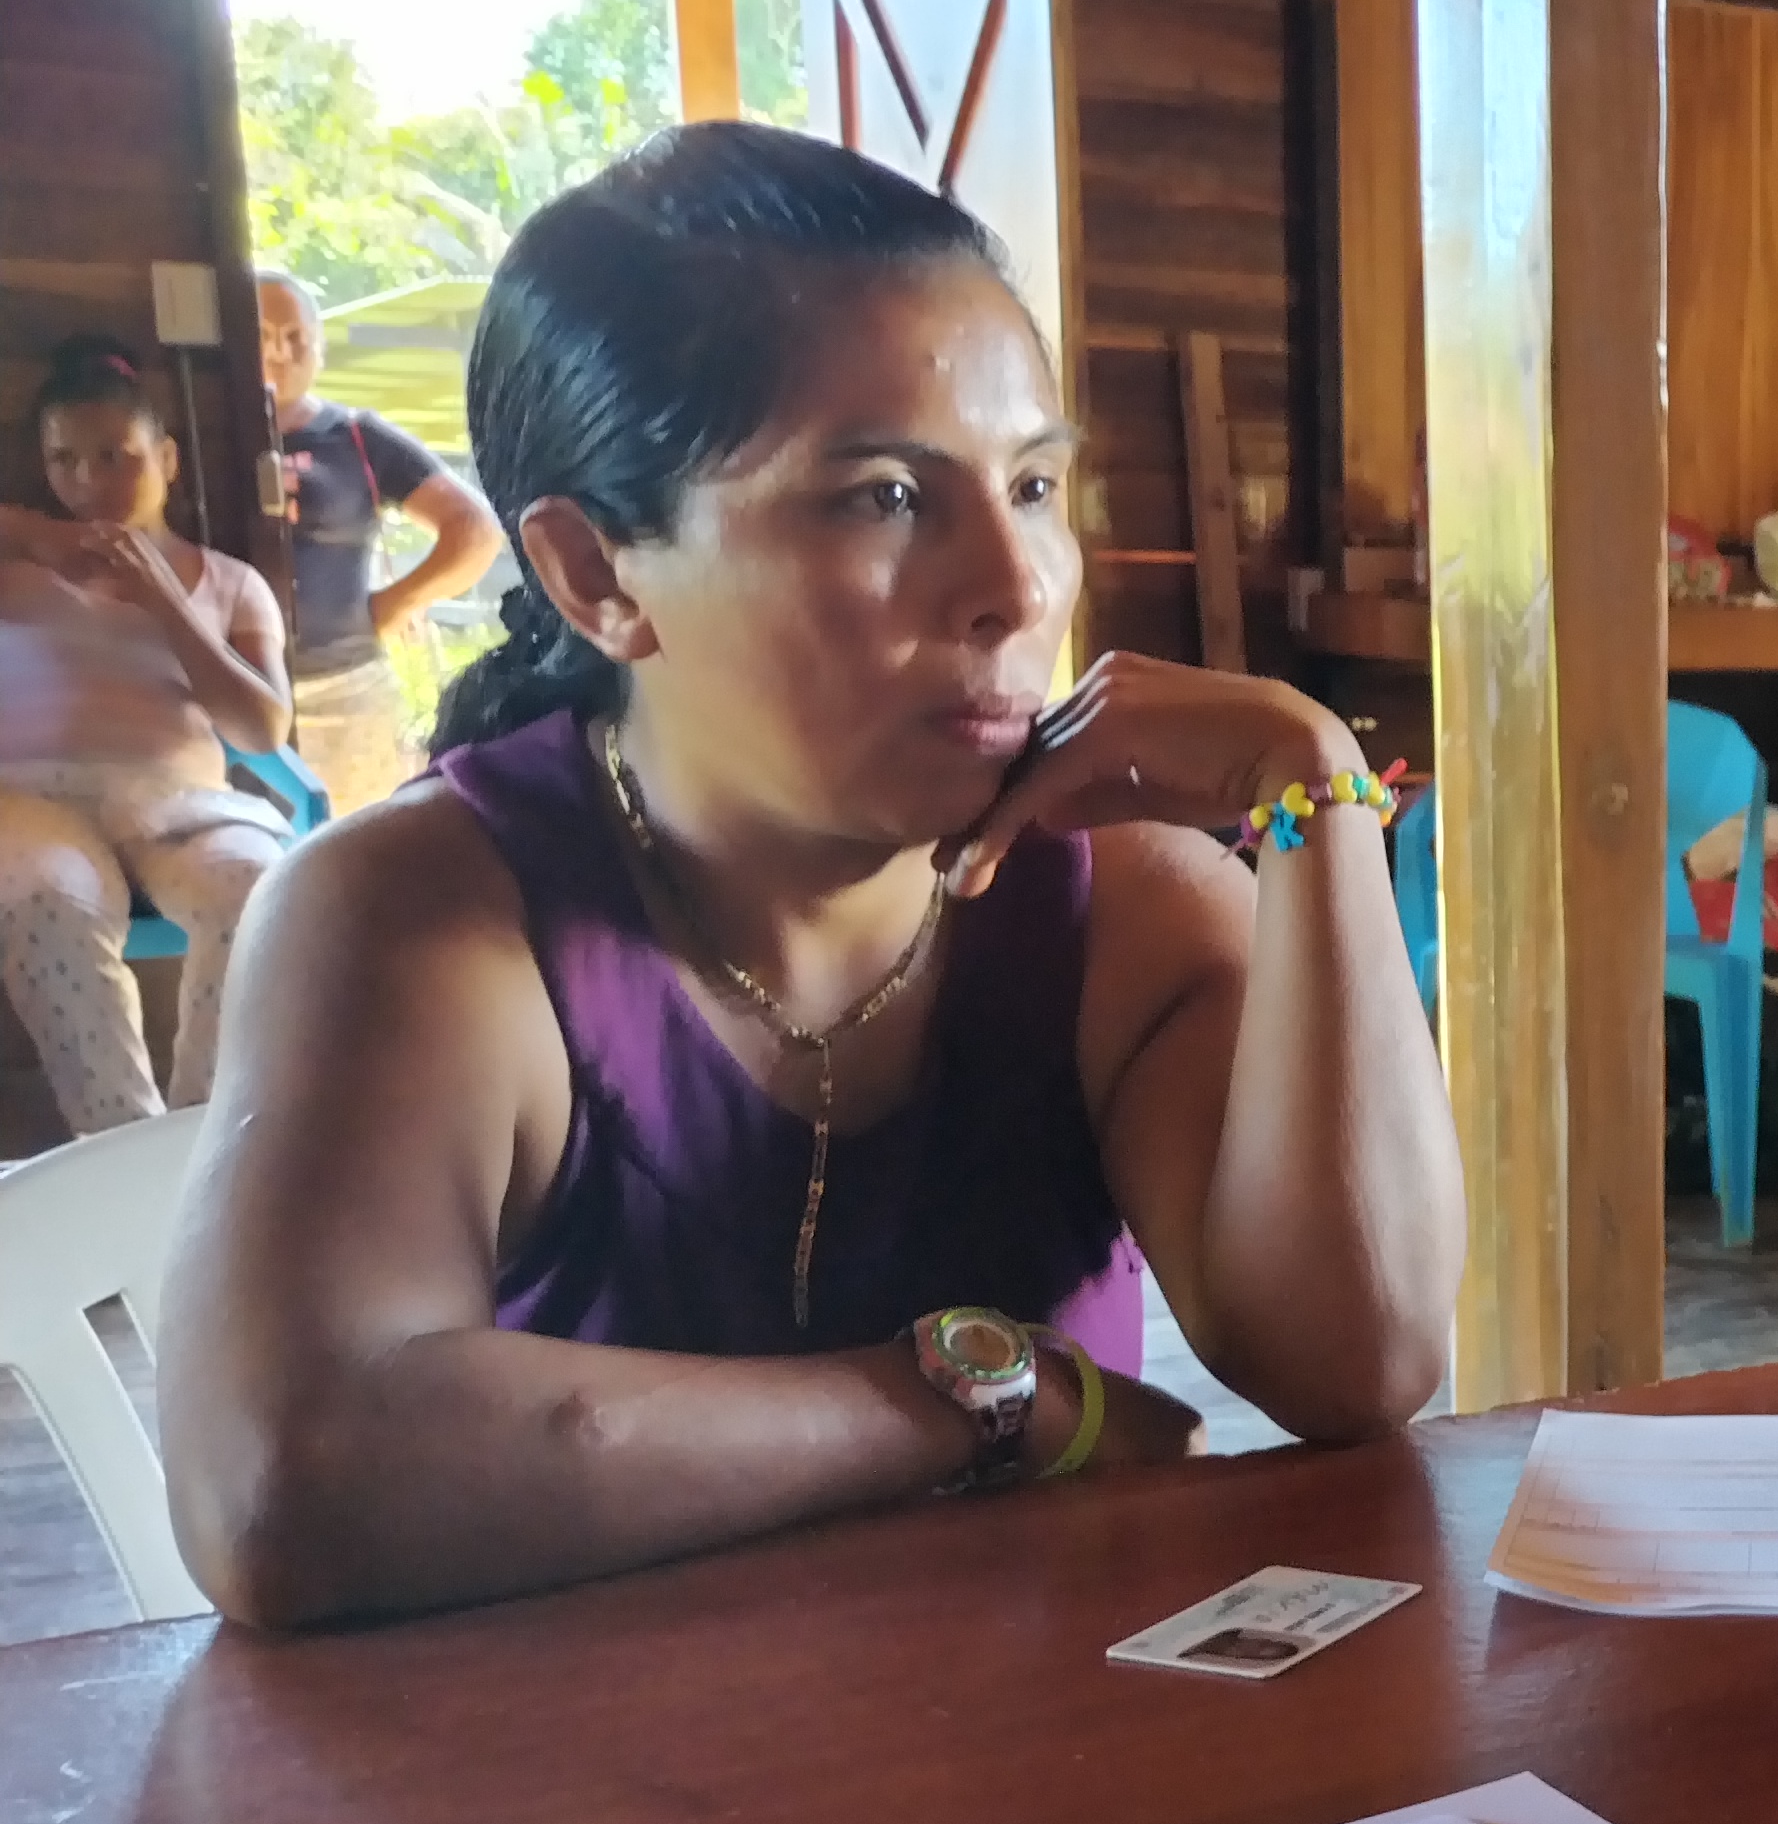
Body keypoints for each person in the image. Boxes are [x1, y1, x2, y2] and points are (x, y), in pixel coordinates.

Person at [164, 124, 1461, 1627]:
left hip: (1049, 1779)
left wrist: (1317, 794)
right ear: (596, 576)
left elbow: (1360, 1363)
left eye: (1034, 487)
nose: (1020, 586)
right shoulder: (436, 918)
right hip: (579, 1809)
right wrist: (973, 1404)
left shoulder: (1123, 905)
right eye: (886, 499)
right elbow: (284, 1484)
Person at [0, 339, 298, 1133]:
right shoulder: (16, 570)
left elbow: (263, 727)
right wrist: (32, 533)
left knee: (254, 887)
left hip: (179, 801)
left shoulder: (231, 582)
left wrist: (166, 596)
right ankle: (124, 1144)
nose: (88, 482)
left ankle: (201, 1143)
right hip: (32, 797)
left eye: (114, 456)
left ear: (167, 457)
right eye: (63, 460)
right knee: (50, 899)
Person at [256, 267, 503, 810]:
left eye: (295, 337)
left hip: (343, 693)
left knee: (356, 865)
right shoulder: (199, 437)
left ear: (319, 349)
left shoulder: (357, 438)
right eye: (262, 335)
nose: (280, 350)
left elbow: (476, 531)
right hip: (233, 697)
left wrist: (393, 605)